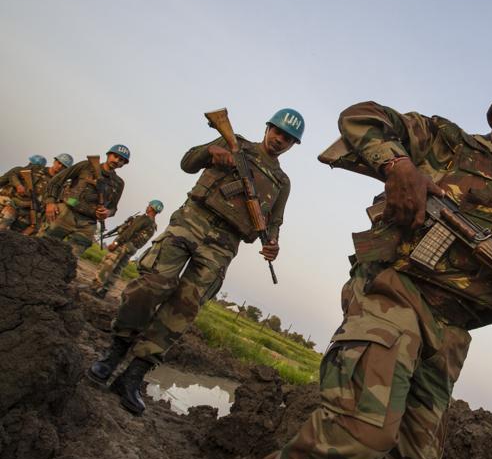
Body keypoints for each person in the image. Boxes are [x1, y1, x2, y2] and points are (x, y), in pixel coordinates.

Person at [249, 76, 492, 459]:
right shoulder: (447, 143)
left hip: (449, 338)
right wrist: (399, 166)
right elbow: (360, 117)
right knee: (360, 434)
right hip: (396, 297)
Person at [87, 108, 304, 416]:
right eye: (278, 132)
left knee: (183, 309)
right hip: (191, 222)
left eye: (288, 139)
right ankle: (114, 354)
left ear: (293, 145)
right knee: (150, 285)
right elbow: (188, 162)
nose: (280, 140)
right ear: (268, 128)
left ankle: (133, 376)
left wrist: (273, 243)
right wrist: (211, 153)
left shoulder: (282, 181)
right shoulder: (234, 142)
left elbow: (275, 220)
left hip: (224, 244)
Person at [41, 146, 129, 257]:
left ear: (123, 164)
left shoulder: (119, 183)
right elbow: (56, 181)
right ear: (108, 155)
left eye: (121, 160)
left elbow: (113, 208)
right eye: (115, 156)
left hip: (88, 223)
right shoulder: (86, 166)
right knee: (42, 247)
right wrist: (50, 202)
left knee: (70, 258)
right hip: (66, 212)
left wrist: (107, 213)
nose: (117, 161)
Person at [89, 199, 164, 299]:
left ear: (151, 208)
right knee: (117, 269)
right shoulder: (153, 225)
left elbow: (130, 231)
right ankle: (104, 290)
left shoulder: (144, 219)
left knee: (108, 264)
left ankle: (95, 286)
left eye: (149, 205)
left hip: (124, 245)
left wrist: (116, 243)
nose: (147, 207)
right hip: (133, 249)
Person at [0, 153, 72, 234]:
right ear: (54, 161)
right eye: (59, 163)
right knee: (3, 226)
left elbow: (71, 199)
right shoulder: (36, 169)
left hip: (31, 214)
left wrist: (77, 203)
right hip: (14, 204)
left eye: (64, 166)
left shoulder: (62, 184)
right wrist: (18, 185)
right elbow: (13, 174)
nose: (60, 166)